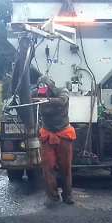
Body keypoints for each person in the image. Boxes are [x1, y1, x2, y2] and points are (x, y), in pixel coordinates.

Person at [37, 76, 76, 206]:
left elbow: (62, 100)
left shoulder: (62, 91)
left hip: (63, 133)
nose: (43, 90)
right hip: (47, 134)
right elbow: (26, 98)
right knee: (47, 166)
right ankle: (52, 196)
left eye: (45, 88)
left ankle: (67, 195)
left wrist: (44, 100)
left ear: (51, 86)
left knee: (65, 167)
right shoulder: (36, 93)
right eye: (40, 88)